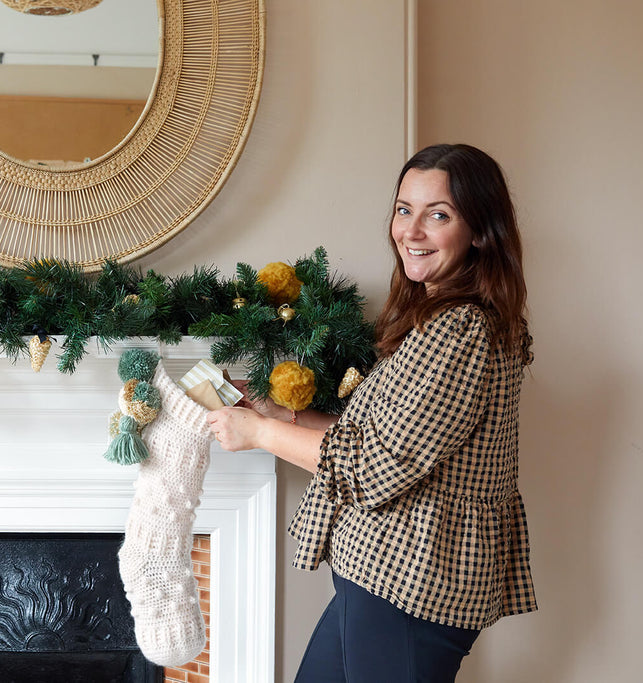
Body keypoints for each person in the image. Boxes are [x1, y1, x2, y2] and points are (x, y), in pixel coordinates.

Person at [206, 143, 537, 682]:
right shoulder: (435, 324)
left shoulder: (461, 332)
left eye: (439, 215)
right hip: (378, 575)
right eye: (404, 210)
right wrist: (272, 409)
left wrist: (259, 433)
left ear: (480, 231)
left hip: (414, 586)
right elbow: (369, 441)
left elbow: (374, 468)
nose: (411, 231)